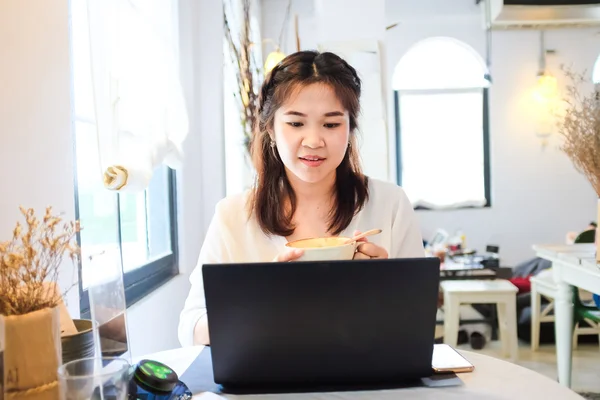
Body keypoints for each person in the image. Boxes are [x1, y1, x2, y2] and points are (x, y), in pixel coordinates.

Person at [178, 50, 425, 347]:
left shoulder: (391, 204)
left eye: (331, 124)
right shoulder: (232, 215)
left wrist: (381, 287)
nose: (313, 141)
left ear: (350, 128)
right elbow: (190, 328)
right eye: (296, 123)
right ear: (270, 127)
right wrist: (263, 304)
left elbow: (418, 320)